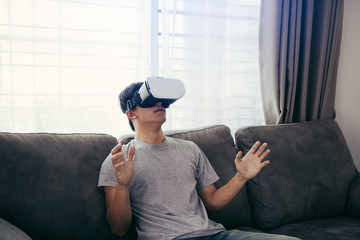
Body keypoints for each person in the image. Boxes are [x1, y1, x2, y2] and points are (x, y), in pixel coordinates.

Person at [98, 81, 300, 240]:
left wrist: (241, 177)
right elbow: (118, 229)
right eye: (149, 101)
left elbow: (213, 202)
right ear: (131, 112)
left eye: (161, 100)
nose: (159, 104)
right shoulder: (118, 160)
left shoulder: (189, 149)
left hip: (215, 235)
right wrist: (122, 185)